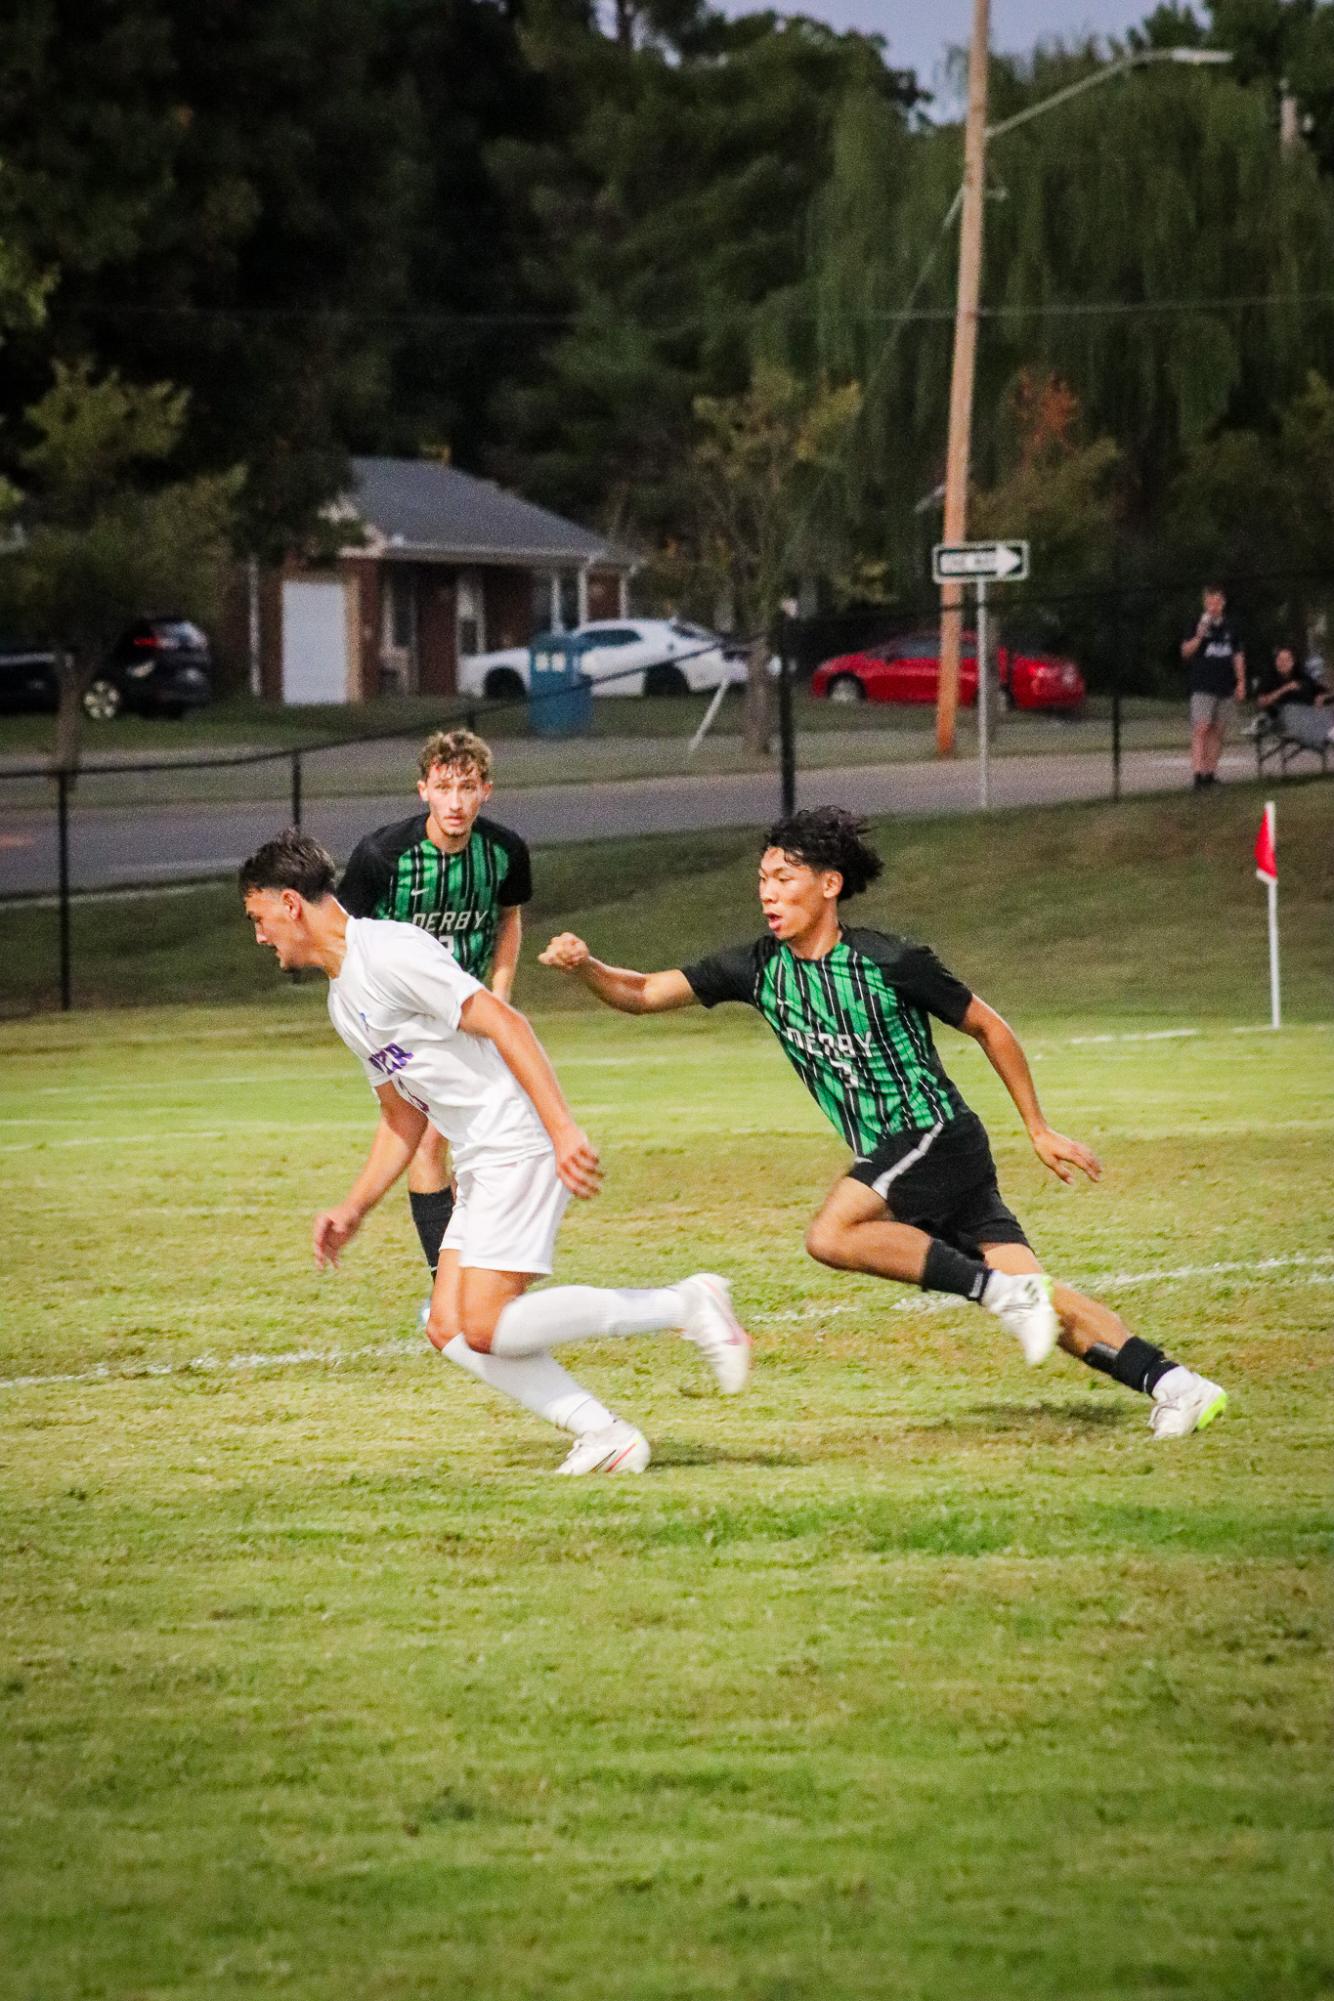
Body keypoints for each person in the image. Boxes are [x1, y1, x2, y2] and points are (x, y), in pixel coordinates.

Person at [540, 806, 1227, 1440]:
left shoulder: (887, 960)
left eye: (784, 879)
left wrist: (1039, 1127)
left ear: (830, 884)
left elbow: (989, 1026)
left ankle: (1001, 1294)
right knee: (1046, 1302)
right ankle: (1178, 1383)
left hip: (935, 1134)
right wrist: (586, 966)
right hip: (917, 1161)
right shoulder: (756, 968)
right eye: (762, 880)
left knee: (832, 1233)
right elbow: (643, 992)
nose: (768, 893)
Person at [240, 829, 750, 1475]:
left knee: (483, 1324)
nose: (259, 935)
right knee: (447, 1327)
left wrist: (562, 1129)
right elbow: (401, 1113)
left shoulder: (389, 953)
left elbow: (507, 1023)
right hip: (483, 1155)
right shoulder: (344, 1000)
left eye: (258, 918)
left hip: (517, 1137)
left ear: (290, 902)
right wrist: (354, 1207)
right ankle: (606, 1436)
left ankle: (686, 1304)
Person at [339, 729, 530, 1287]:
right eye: (444, 787)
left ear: (486, 791)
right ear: (422, 789)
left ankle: (471, 1275)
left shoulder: (503, 851)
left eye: (467, 787)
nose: (456, 801)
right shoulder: (383, 856)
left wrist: (500, 994)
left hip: (470, 1015)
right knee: (428, 1140)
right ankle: (452, 1284)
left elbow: (508, 918)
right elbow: (346, 933)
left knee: (470, 1143)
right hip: (406, 1025)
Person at [1180, 585, 1246, 789]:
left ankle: (1210, 773)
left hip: (1225, 685)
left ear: (1223, 602)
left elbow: (1237, 655)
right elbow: (1185, 652)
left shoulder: (1231, 627)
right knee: (1201, 728)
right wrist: (1200, 636)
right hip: (1203, 685)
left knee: (1218, 730)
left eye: (1216, 602)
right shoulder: (1196, 624)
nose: (1212, 606)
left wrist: (1241, 681)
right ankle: (1198, 775)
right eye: (1209, 602)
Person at [1254, 643, 1334, 751]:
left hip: (1309, 714)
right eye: (1279, 660)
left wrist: (1322, 696)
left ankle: (1326, 734)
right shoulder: (1269, 678)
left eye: (1286, 660)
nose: (1282, 663)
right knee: (1293, 711)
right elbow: (1261, 703)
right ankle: (1324, 735)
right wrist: (1285, 689)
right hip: (1282, 717)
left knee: (1322, 711)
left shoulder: (1301, 675)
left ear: (1293, 662)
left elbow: (1323, 691)